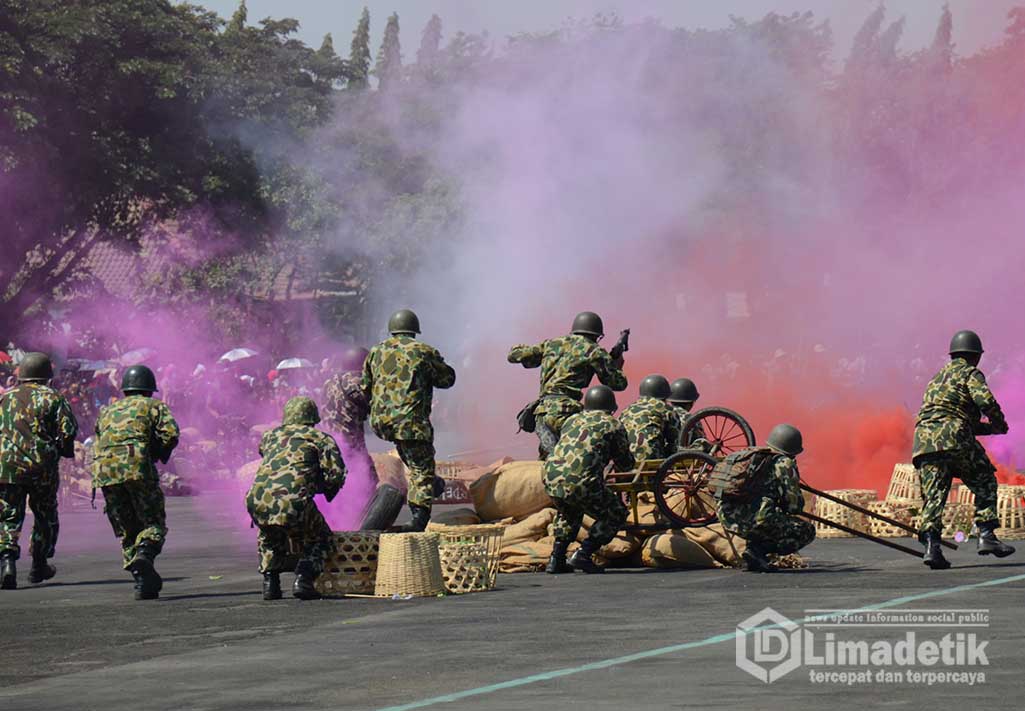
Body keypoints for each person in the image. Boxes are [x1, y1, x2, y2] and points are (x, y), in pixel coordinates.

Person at [913, 330, 1014, 570]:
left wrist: (990, 430)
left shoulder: (937, 379)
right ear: (976, 356)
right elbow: (985, 401)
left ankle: (932, 548)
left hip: (925, 441)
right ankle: (987, 535)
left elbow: (949, 417)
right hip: (955, 438)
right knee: (984, 478)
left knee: (934, 497)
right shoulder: (970, 373)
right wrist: (999, 424)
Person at [362, 309, 456, 532]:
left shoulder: (376, 351)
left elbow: (365, 386)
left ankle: (433, 483)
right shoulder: (423, 351)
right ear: (415, 330)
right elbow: (447, 379)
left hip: (382, 422)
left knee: (412, 456)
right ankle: (418, 518)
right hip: (410, 423)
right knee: (421, 468)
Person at [92, 365, 180, 600]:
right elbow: (171, 434)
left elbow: (99, 438)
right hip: (137, 468)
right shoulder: (153, 406)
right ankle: (145, 555)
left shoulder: (108, 410)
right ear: (149, 388)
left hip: (105, 472)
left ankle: (142, 582)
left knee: (128, 528)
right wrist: (158, 453)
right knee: (153, 523)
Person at [246, 397, 346, 600]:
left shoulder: (270, 436)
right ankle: (304, 579)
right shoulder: (320, 438)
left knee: (270, 537)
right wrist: (324, 490)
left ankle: (270, 584)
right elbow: (336, 473)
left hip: (257, 500)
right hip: (293, 500)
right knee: (322, 538)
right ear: (311, 416)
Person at [0, 353, 78, 590]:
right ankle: (38, 565)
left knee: (8, 515)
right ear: (47, 376)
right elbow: (69, 431)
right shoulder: (53, 397)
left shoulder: (5, 398)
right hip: (41, 467)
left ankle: (7, 563)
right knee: (45, 515)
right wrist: (64, 450)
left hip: (7, 467)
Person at [508, 311, 628, 460]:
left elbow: (514, 355)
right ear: (597, 335)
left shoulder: (552, 344)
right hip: (567, 413)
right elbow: (618, 384)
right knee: (572, 459)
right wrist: (617, 363)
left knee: (549, 462)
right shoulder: (593, 351)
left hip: (542, 413)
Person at [543, 385, 635, 574]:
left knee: (569, 512)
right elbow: (625, 463)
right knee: (616, 513)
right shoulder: (612, 423)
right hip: (581, 481)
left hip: (551, 477)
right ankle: (583, 554)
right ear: (611, 407)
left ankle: (556, 559)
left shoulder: (572, 420)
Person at [713, 424, 815, 572]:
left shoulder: (751, 455)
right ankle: (757, 551)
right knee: (806, 530)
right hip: (752, 520)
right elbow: (794, 506)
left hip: (725, 516)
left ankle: (753, 555)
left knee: (764, 517)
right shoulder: (783, 463)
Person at [323, 347, 377, 485]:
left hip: (330, 439)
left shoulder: (329, 382)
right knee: (367, 478)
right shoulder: (359, 381)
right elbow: (375, 408)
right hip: (351, 440)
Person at [619, 374, 681, 462]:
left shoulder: (626, 411)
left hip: (627, 463)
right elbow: (676, 442)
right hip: (654, 461)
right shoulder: (666, 409)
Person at [668, 377, 706, 447]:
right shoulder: (691, 419)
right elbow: (701, 441)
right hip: (684, 456)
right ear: (691, 403)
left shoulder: (664, 414)